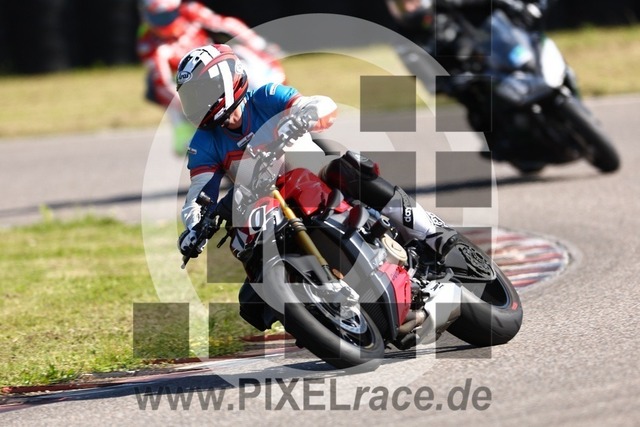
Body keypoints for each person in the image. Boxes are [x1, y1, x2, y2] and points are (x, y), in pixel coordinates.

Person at [176, 44, 457, 331]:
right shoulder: (203, 142)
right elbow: (199, 193)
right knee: (247, 266)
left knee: (348, 168)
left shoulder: (265, 96)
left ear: (226, 81)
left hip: (311, 172)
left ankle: (428, 231)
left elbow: (321, 105)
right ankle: (315, 309)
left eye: (200, 93)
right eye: (190, 97)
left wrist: (303, 115)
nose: (195, 103)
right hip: (265, 201)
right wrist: (194, 227)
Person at [136, 0, 286, 155]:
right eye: (156, 18)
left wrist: (257, 43)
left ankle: (273, 98)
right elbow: (162, 82)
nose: (163, 24)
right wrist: (190, 107)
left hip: (214, 66)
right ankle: (189, 134)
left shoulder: (191, 11)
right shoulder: (148, 43)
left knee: (242, 54)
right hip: (191, 85)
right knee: (164, 90)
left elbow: (226, 24)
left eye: (167, 16)